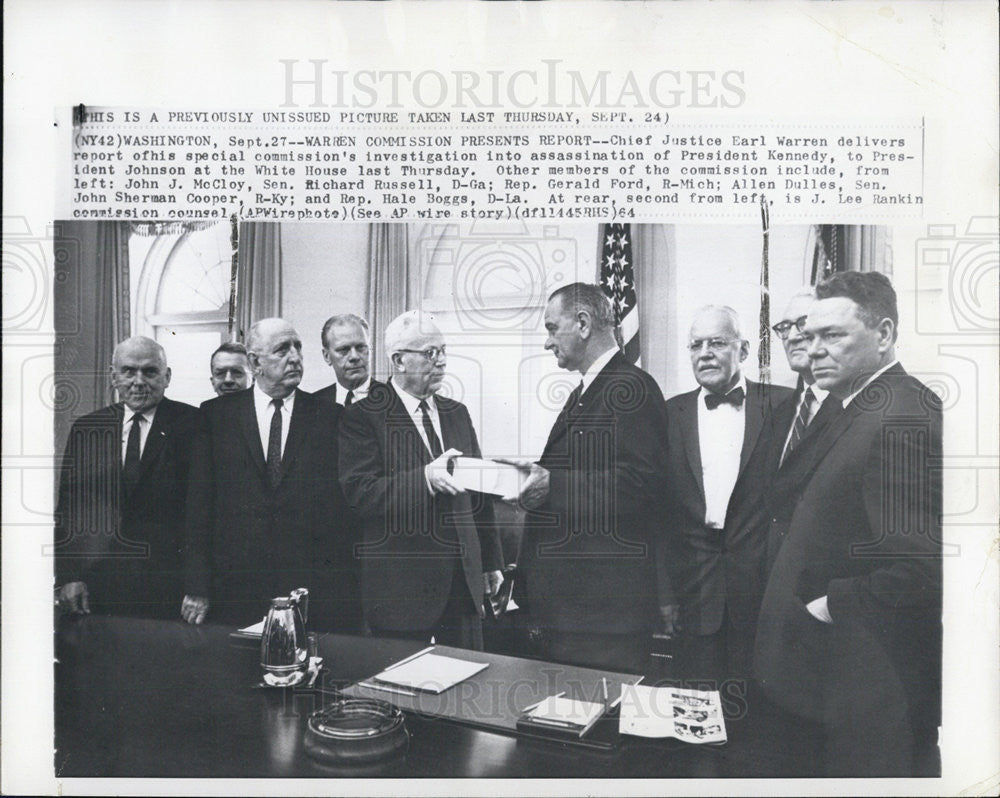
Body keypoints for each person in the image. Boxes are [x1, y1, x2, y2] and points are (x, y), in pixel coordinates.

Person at [754, 271, 942, 776]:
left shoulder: (903, 415)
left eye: (832, 335)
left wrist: (827, 605)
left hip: (868, 690)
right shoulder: (858, 405)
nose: (812, 349)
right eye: (808, 335)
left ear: (883, 335)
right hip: (827, 680)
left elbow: (920, 570)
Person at [507, 283, 671, 674]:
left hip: (603, 617)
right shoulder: (588, 390)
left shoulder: (631, 388)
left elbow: (642, 485)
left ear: (582, 324)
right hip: (577, 610)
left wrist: (553, 485)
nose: (548, 342)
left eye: (551, 328)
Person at [338, 310, 503, 650]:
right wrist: (425, 478)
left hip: (464, 583)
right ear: (398, 360)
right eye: (430, 353)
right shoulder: (363, 416)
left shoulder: (457, 412)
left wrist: (491, 563)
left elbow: (478, 495)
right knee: (405, 691)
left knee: (466, 685)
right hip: (402, 590)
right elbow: (360, 493)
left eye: (443, 351)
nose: (441, 361)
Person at [182, 318, 353, 630]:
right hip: (233, 588)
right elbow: (199, 507)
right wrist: (197, 585)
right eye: (282, 350)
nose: (295, 357)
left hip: (309, 590)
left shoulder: (330, 416)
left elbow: (339, 514)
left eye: (297, 347)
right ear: (254, 362)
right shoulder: (215, 416)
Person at [663, 306, 791, 683]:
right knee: (698, 712)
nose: (705, 353)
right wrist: (664, 595)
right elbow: (661, 517)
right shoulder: (669, 414)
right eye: (695, 345)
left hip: (763, 595)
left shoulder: (784, 406)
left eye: (717, 342)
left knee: (759, 718)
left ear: (745, 350)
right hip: (693, 594)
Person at [54, 336, 199, 619]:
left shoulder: (193, 425)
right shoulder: (88, 428)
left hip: (169, 587)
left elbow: (203, 514)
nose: (138, 380)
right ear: (114, 377)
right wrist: (69, 575)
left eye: (150, 371)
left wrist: (198, 587)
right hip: (98, 585)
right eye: (129, 371)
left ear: (167, 377)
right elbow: (68, 510)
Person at [762, 288, 841, 571]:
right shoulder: (780, 412)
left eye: (803, 323)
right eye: (784, 327)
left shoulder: (852, 408)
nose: (793, 335)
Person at [313, 314, 375, 408]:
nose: (354, 357)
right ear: (327, 356)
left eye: (360, 347)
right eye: (344, 349)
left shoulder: (394, 400)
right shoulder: (313, 405)